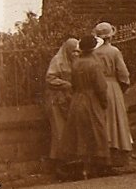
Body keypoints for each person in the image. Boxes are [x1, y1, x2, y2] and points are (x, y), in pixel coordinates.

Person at [57, 35, 109, 179]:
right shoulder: (95, 64)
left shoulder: (76, 63)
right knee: (96, 131)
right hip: (92, 99)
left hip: (77, 99)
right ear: (93, 49)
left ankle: (83, 168)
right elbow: (100, 86)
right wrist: (104, 101)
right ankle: (95, 167)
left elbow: (73, 83)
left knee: (80, 133)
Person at [93, 22, 133, 165]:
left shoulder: (93, 52)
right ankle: (116, 154)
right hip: (112, 86)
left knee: (102, 119)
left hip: (97, 87)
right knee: (115, 119)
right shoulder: (114, 51)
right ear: (110, 37)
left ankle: (102, 153)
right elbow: (123, 73)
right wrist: (123, 85)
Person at [45, 38, 79, 172]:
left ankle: (68, 162)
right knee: (59, 131)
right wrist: (64, 84)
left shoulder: (74, 61)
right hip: (56, 100)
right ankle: (59, 164)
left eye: (77, 51)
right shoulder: (57, 60)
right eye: (73, 51)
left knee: (68, 131)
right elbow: (50, 78)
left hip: (67, 100)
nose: (75, 54)